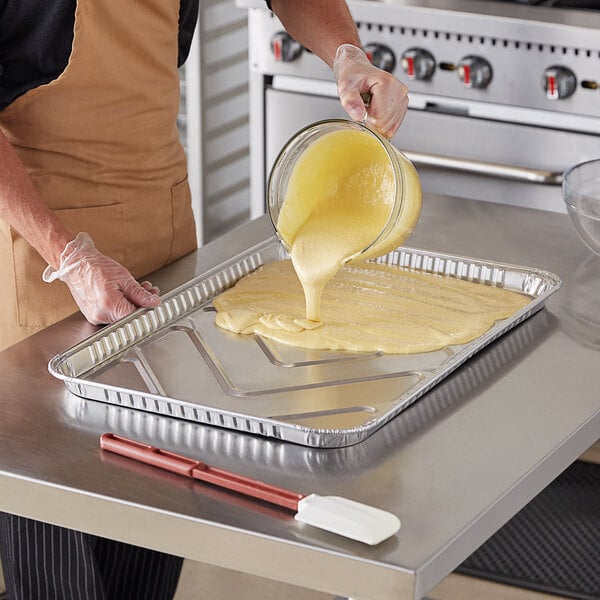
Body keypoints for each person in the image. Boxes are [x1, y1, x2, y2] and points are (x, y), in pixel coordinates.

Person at [0, 0, 409, 598]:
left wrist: (347, 57)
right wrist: (69, 254)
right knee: (64, 542)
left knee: (156, 506)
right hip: (46, 255)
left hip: (159, 227)